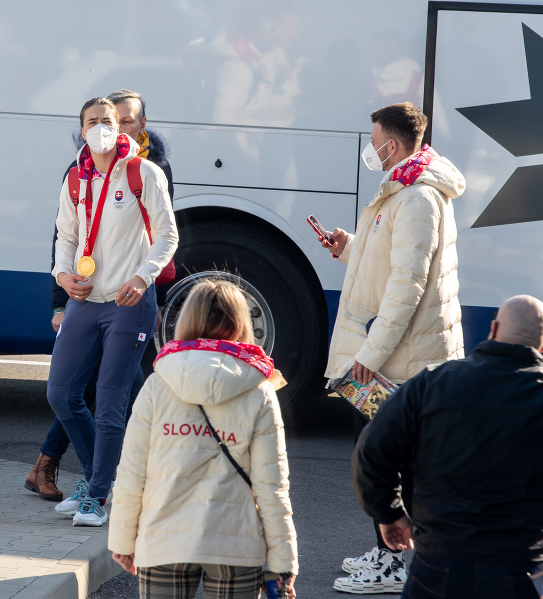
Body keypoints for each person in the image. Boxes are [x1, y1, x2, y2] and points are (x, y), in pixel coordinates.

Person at [322, 102, 466, 594]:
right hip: (398, 356)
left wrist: (369, 356)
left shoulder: (417, 197)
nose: (371, 148)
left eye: (375, 138)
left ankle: (395, 564)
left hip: (401, 361)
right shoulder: (406, 189)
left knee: (393, 463)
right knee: (388, 460)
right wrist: (350, 248)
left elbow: (406, 287)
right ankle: (390, 554)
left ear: (395, 143)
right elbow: (391, 266)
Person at [26, 89, 175, 502]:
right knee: (60, 394)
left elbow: (168, 235)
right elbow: (66, 236)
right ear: (81, 130)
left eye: (108, 122)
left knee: (110, 405)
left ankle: (96, 494)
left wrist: (144, 279)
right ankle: (102, 480)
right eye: (92, 123)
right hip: (84, 301)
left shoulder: (144, 172)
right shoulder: (76, 176)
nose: (101, 129)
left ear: (123, 127)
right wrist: (62, 276)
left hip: (128, 303)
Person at [108, 279, 297, 599]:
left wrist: (123, 541)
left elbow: (131, 473)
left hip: (163, 539)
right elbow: (272, 487)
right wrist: (282, 561)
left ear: (188, 320)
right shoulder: (259, 389)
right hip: (235, 544)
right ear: (240, 324)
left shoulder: (157, 384)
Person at [351, 295, 543, 598]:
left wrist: (389, 513)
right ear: (541, 345)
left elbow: (371, 450)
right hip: (523, 567)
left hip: (439, 562)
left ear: (493, 329)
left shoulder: (432, 383)